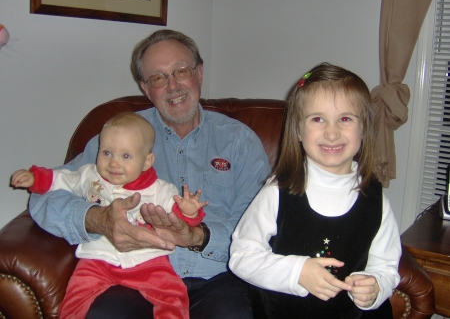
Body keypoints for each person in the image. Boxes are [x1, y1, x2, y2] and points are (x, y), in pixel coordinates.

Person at [27, 29, 271, 318]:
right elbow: (43, 196)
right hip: (131, 275)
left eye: (181, 71)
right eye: (158, 78)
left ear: (199, 73)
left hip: (218, 278)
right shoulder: (119, 137)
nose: (172, 86)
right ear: (145, 88)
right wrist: (97, 219)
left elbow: (261, 227)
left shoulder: (239, 142)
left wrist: (197, 236)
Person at [229, 63, 401, 318]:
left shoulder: (376, 199)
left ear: (364, 128)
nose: (332, 133)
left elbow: (386, 266)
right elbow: (241, 257)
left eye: (345, 119)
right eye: (318, 119)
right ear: (298, 129)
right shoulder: (277, 192)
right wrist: (298, 271)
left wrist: (375, 286)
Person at [11, 112, 208, 318]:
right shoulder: (90, 176)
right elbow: (60, 179)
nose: (114, 163)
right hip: (97, 259)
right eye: (106, 153)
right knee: (75, 298)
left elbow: (178, 218)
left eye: (125, 156)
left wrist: (189, 211)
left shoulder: (159, 189)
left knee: (173, 294)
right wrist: (35, 178)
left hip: (148, 260)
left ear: (147, 162)